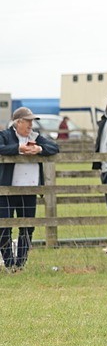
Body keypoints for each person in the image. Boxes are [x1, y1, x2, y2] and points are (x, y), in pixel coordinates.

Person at [0, 107, 60, 272]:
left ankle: (20, 264)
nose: (30, 125)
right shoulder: (5, 135)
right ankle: (9, 263)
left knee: (27, 227)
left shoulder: (35, 137)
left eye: (31, 121)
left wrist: (39, 149)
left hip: (30, 190)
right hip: (7, 190)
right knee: (4, 226)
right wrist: (20, 149)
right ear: (18, 122)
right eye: (28, 121)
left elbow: (54, 147)